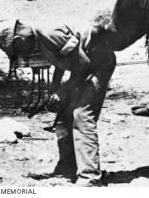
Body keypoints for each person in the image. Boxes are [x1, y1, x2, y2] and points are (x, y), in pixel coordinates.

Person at [11, 20, 116, 186]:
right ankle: (67, 168)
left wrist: (63, 91)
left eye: (17, 50)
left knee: (82, 115)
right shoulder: (39, 41)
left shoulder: (50, 33)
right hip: (83, 68)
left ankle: (90, 177)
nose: (22, 55)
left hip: (99, 65)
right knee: (63, 118)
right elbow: (62, 60)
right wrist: (55, 89)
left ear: (19, 39)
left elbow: (83, 64)